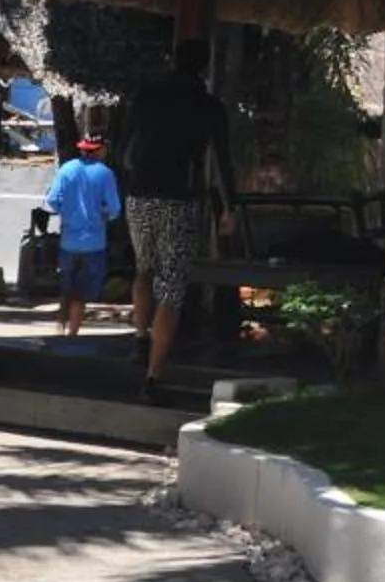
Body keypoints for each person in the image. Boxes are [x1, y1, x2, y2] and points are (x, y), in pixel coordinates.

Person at [117, 41, 238, 398]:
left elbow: (125, 146)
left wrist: (127, 186)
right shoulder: (209, 106)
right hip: (179, 199)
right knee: (172, 289)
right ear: (204, 66)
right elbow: (223, 160)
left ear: (172, 61)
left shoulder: (147, 96)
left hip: (140, 194)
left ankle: (140, 338)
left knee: (144, 268)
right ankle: (153, 377)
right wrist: (228, 208)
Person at [42, 132, 122, 341]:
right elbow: (114, 209)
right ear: (100, 149)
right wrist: (102, 215)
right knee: (81, 294)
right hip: (94, 244)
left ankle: (59, 327)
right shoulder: (105, 174)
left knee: (66, 289)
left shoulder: (67, 169)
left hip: (68, 241)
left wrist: (67, 213)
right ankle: (73, 335)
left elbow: (51, 200)